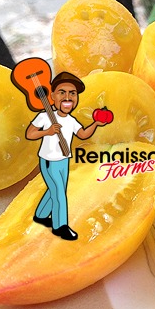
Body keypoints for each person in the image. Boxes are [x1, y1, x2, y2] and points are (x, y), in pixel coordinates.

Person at [25, 72, 107, 240]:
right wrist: (47, 131)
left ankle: (41, 215)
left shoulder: (71, 120)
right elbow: (30, 133)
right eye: (62, 92)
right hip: (49, 160)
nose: (68, 97)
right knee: (59, 194)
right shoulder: (45, 116)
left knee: (55, 190)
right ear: (52, 96)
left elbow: (83, 134)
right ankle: (60, 226)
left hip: (63, 160)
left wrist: (96, 123)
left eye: (72, 93)